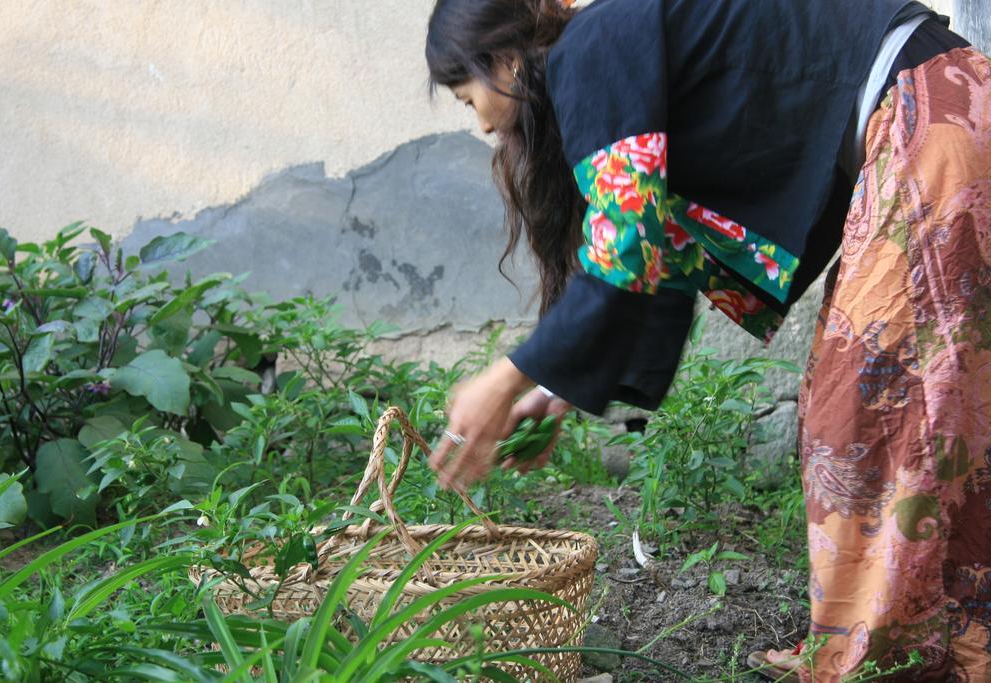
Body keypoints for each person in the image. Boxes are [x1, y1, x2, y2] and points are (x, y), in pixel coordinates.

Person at [424, 0, 991, 680]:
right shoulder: (616, 51)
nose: (484, 123)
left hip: (933, 117)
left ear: (506, 60)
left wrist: (507, 375)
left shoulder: (590, 47)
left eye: (468, 99)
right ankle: (946, 640)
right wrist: (557, 388)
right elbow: (658, 258)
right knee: (927, 412)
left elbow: (628, 249)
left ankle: (873, 659)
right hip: (942, 112)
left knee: (867, 416)